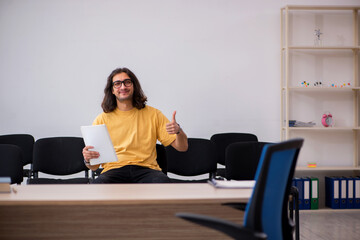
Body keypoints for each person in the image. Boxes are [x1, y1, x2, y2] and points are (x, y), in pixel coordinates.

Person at [82, 67, 188, 183]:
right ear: (112, 90)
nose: (123, 87)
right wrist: (88, 160)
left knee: (164, 185)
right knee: (96, 187)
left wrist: (178, 131)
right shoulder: (101, 119)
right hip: (113, 171)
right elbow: (94, 167)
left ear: (134, 86)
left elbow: (182, 147)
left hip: (147, 171)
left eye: (127, 82)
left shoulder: (154, 114)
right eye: (117, 84)